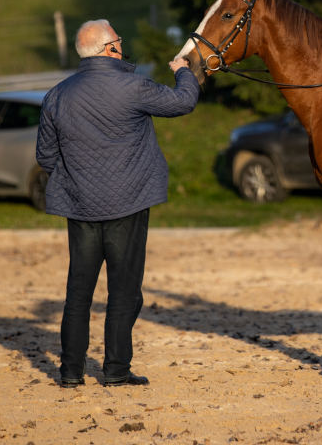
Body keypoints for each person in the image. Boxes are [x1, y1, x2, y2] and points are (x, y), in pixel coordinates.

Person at [36, 19, 199, 388]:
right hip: (129, 204)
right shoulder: (133, 86)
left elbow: (45, 156)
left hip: (79, 207)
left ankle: (70, 372)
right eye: (119, 41)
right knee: (123, 291)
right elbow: (183, 102)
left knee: (78, 293)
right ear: (109, 48)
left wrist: (79, 180)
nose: (122, 46)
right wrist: (183, 72)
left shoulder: (57, 95)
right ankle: (115, 369)